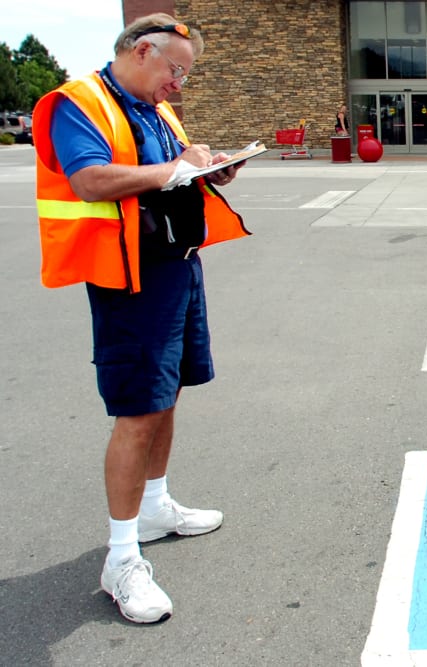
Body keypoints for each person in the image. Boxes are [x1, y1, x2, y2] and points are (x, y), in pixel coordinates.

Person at [34, 13, 250, 624]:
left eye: (185, 75)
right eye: (175, 69)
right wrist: (174, 170)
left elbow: (168, 172)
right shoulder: (81, 102)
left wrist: (204, 167)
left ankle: (155, 507)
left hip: (176, 268)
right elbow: (89, 179)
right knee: (136, 413)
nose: (179, 84)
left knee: (167, 394)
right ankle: (122, 559)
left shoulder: (155, 108)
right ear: (140, 50)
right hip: (129, 279)